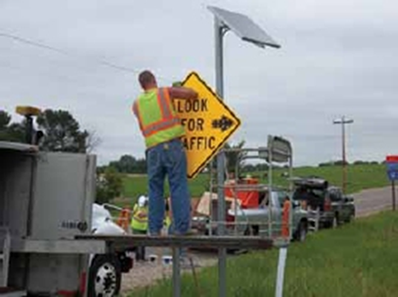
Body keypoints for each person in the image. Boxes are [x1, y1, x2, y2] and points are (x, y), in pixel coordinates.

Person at [132, 70, 198, 237]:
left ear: (141, 85)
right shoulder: (164, 93)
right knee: (177, 185)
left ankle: (154, 230)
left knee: (154, 189)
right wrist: (177, 88)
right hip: (172, 145)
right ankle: (181, 228)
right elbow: (192, 94)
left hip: (152, 150)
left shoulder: (136, 104)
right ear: (154, 79)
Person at [131, 195, 149, 261]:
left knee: (143, 243)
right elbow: (134, 215)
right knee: (138, 243)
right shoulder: (136, 207)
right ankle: (138, 257)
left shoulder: (147, 207)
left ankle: (142, 257)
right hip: (136, 227)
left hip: (144, 228)